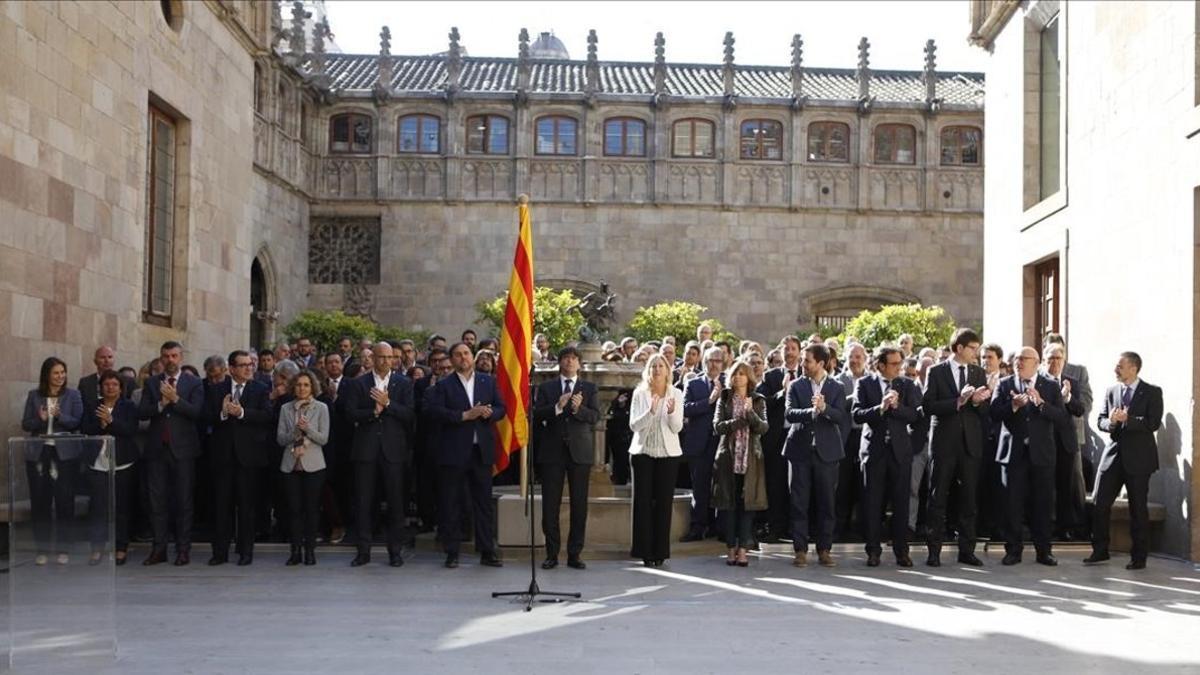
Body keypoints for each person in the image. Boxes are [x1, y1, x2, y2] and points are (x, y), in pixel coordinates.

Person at [426, 342, 506, 569]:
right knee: (451, 503)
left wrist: (490, 413)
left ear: (472, 356)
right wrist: (464, 415)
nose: (463, 358)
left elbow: (502, 407)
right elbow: (433, 412)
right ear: (451, 360)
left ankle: (486, 551)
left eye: (466, 354)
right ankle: (452, 552)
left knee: (483, 503)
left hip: (481, 451)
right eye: (458, 355)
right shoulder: (444, 385)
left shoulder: (487, 381)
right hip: (453, 451)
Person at [921, 328, 992, 567]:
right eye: (973, 348)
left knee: (969, 499)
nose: (977, 353)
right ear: (959, 348)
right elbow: (928, 406)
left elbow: (983, 413)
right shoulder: (936, 371)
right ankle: (934, 551)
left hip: (970, 443)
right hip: (944, 444)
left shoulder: (978, 372)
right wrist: (958, 401)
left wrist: (978, 402)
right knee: (937, 497)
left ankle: (967, 550)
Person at [991, 346, 1066, 567]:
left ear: (1036, 362)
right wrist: (1013, 405)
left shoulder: (1050, 386)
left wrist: (1041, 404)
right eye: (1016, 359)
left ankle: (1044, 551)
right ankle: (1013, 550)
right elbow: (994, 413)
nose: (1018, 362)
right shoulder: (1004, 385)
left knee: (1042, 504)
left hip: (1041, 454)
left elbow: (1061, 417)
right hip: (1013, 453)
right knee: (1012, 503)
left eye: (1024, 359)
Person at [1087, 352, 1162, 570]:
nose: (1116, 369)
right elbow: (1100, 420)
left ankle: (1139, 557)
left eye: (1120, 366)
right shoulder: (1112, 391)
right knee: (1099, 503)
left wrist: (1128, 419)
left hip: (1139, 459)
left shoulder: (1151, 392)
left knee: (1138, 508)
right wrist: (1111, 421)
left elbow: (1153, 423)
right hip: (1113, 456)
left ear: (1134, 368)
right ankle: (1100, 550)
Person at [345, 342, 415, 568]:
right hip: (366, 451)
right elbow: (350, 414)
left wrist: (389, 404)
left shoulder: (403, 384)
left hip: (393, 452)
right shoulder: (358, 384)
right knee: (364, 502)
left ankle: (395, 551)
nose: (386, 361)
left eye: (389, 357)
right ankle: (363, 551)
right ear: (372, 358)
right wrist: (373, 412)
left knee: (396, 503)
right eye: (381, 357)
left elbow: (410, 414)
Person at [853, 347, 921, 567]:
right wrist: (880, 408)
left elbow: (915, 415)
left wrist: (897, 407)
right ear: (881, 365)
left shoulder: (907, 385)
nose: (898, 368)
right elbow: (857, 414)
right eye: (894, 364)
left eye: (900, 363)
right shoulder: (865, 384)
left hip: (900, 452)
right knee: (873, 503)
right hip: (874, 451)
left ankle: (902, 551)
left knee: (901, 502)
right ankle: (873, 550)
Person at [533, 346, 600, 570]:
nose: (570, 362)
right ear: (559, 362)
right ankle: (552, 553)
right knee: (550, 505)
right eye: (566, 358)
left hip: (580, 453)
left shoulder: (589, 388)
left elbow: (595, 417)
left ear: (580, 364)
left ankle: (574, 554)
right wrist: (558, 407)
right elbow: (536, 413)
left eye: (574, 359)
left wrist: (578, 409)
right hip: (552, 453)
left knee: (579, 505)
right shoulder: (547, 387)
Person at [138, 341, 205, 566]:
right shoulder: (151, 383)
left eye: (174, 356)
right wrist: (160, 404)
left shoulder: (194, 383)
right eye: (166, 356)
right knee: (157, 501)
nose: (170, 360)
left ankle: (183, 549)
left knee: (183, 501)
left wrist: (175, 400)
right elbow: (142, 413)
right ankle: (159, 549)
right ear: (161, 358)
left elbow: (197, 412)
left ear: (181, 357)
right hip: (157, 450)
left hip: (183, 451)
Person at [203, 350, 272, 566]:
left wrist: (242, 413)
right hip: (222, 458)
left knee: (247, 507)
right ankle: (220, 553)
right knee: (221, 507)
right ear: (231, 369)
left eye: (250, 364)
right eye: (243, 365)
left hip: (248, 459)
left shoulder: (260, 389)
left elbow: (268, 416)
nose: (248, 368)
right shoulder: (217, 389)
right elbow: (204, 417)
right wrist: (223, 413)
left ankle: (245, 552)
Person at [784, 343, 849, 567]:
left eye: (807, 361)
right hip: (800, 451)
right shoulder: (796, 386)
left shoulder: (837, 387)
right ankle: (800, 550)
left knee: (827, 503)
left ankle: (824, 549)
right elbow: (790, 413)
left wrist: (825, 409)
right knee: (799, 502)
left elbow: (841, 416)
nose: (803, 364)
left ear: (821, 363)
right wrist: (811, 412)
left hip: (827, 453)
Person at [21, 357, 84, 566]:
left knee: (65, 501)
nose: (60, 377)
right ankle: (42, 549)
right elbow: (25, 423)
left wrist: (59, 416)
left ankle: (64, 548)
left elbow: (77, 421)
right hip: (39, 454)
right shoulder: (34, 395)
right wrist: (39, 419)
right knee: (41, 502)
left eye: (63, 373)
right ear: (47, 375)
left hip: (65, 455)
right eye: (56, 373)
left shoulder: (73, 394)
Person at [628, 353, 684, 567]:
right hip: (642, 453)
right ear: (648, 371)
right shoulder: (639, 393)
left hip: (668, 455)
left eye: (661, 366)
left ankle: (660, 551)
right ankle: (644, 551)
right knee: (642, 502)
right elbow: (634, 426)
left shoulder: (676, 393)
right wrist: (651, 411)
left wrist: (670, 414)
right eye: (653, 366)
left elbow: (677, 427)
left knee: (663, 504)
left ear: (667, 371)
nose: (657, 370)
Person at [712, 359, 768, 567]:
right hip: (728, 458)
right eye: (735, 373)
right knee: (729, 505)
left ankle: (743, 549)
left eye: (742, 373)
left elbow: (763, 428)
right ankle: (730, 549)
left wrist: (750, 414)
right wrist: (739, 421)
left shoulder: (758, 399)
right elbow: (717, 426)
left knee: (747, 507)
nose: (738, 377)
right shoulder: (724, 398)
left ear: (749, 378)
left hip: (750, 459)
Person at [81, 369, 139, 565]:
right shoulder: (92, 406)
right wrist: (102, 423)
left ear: (121, 388)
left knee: (122, 507)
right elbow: (86, 429)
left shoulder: (129, 406)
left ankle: (121, 547)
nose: (110, 388)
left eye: (114, 384)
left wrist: (111, 421)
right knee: (98, 507)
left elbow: (131, 430)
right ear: (101, 387)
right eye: (106, 385)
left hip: (122, 462)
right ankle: (96, 548)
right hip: (98, 463)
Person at [277, 370, 330, 566]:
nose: (302, 388)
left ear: (312, 387)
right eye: (299, 384)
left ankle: (310, 551)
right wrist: (295, 431)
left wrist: (307, 429)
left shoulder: (321, 408)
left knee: (311, 510)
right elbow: (281, 439)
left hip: (314, 466)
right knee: (294, 510)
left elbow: (324, 438)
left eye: (306, 385)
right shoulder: (285, 408)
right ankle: (295, 551)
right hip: (290, 465)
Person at [755, 335, 800, 544]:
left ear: (799, 352)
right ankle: (776, 527)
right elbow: (761, 402)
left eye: (793, 349)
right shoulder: (771, 376)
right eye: (786, 349)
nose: (789, 352)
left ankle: (796, 528)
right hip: (776, 437)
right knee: (776, 484)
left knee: (798, 485)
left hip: (799, 436)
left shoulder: (807, 375)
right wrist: (782, 392)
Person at [1043, 342, 1088, 540]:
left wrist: (1068, 397)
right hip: (1044, 440)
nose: (1054, 362)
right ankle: (1046, 525)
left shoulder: (1071, 382)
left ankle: (1064, 527)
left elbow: (1079, 410)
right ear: (1044, 361)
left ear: (1064, 361)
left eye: (1058, 358)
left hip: (1066, 442)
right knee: (1045, 485)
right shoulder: (1039, 381)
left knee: (1065, 485)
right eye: (1050, 358)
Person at [681, 347, 726, 541]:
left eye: (718, 361)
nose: (714, 364)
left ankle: (718, 527)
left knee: (721, 486)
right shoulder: (693, 383)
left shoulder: (730, 382)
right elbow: (686, 409)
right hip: (698, 443)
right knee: (699, 487)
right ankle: (698, 527)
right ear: (703, 362)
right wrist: (709, 401)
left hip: (722, 443)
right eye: (710, 360)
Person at [78, 345, 134, 411]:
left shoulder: (128, 381)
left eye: (110, 357)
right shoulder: (85, 383)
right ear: (95, 361)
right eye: (102, 357)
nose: (107, 361)